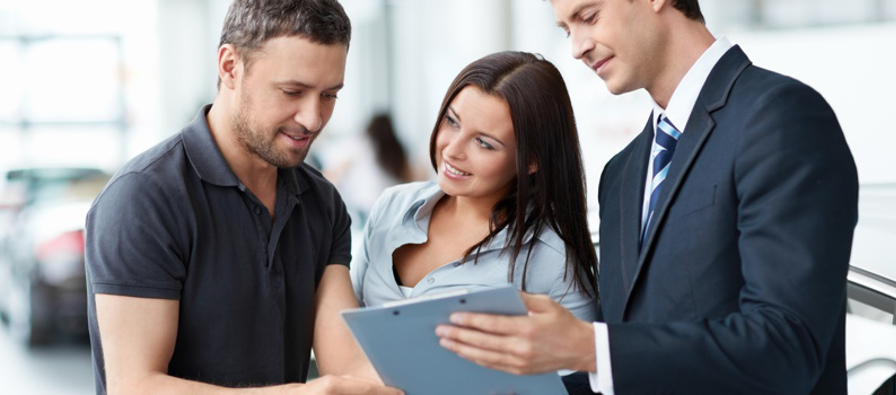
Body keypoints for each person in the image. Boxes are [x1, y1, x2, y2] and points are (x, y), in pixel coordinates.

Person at [436, 1, 858, 394]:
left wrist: (589, 346)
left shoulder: (779, 118)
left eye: (589, 16)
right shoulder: (622, 174)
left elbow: (788, 346)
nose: (577, 48)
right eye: (566, 29)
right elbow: (631, 359)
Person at [84, 1, 400, 394]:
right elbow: (134, 386)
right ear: (230, 66)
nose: (313, 118)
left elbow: (349, 365)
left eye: (329, 95)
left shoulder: (323, 203)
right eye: (292, 91)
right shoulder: (143, 199)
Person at [350, 51, 599, 392]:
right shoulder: (391, 207)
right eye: (452, 122)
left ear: (531, 162)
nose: (453, 150)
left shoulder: (555, 261)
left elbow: (581, 384)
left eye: (483, 143)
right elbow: (347, 335)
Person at [325, 113, 418, 220]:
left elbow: (332, 176)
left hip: (365, 210)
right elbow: (412, 179)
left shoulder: (360, 143)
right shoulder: (397, 149)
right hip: (394, 209)